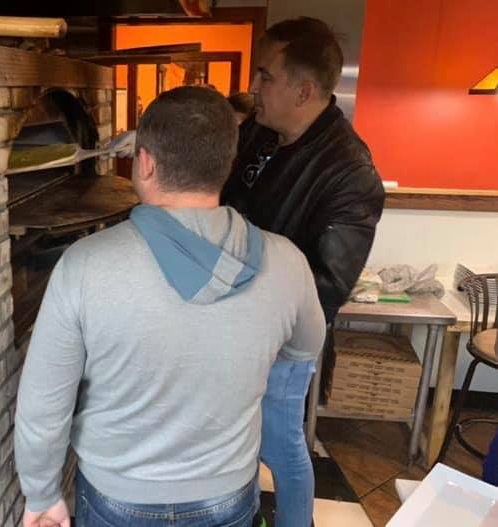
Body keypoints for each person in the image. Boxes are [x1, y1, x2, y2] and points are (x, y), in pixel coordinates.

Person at [15, 86, 326, 527]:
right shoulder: (288, 262)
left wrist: (42, 491)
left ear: (145, 163)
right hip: (226, 494)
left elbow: (44, 402)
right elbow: (306, 346)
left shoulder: (84, 265)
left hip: (118, 496)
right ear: (226, 164)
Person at [221, 17, 386, 527]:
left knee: (281, 441)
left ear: (304, 90)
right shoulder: (260, 133)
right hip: (237, 319)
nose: (254, 86)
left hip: (282, 338)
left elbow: (328, 286)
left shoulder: (349, 173)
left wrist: (252, 314)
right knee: (243, 436)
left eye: (266, 76)